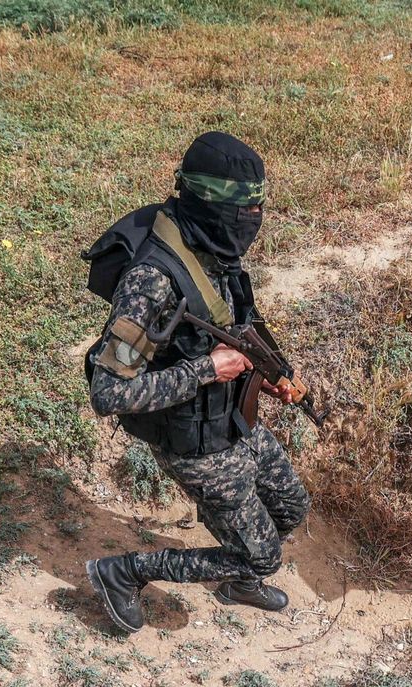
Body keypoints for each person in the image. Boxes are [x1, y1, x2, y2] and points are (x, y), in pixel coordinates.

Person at [82, 132, 311, 634]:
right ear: (210, 204)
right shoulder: (150, 281)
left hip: (234, 419)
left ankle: (237, 571)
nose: (252, 223)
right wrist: (209, 369)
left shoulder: (209, 246)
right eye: (242, 212)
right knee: (261, 556)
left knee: (291, 506)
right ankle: (124, 572)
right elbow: (108, 393)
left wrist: (268, 370)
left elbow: (234, 321)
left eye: (257, 209)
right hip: (194, 442)